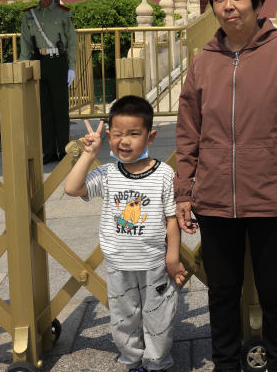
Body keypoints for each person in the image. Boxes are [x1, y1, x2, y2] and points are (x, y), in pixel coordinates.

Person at [174, 0, 277, 372]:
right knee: (222, 291)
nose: (228, 6)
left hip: (273, 195)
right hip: (214, 197)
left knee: (276, 291)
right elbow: (188, 133)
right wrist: (184, 191)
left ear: (258, 3)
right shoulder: (203, 61)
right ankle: (225, 363)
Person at [63, 96, 188, 372]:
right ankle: (132, 359)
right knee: (124, 317)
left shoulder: (164, 174)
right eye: (117, 134)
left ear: (150, 136)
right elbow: (72, 188)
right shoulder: (108, 174)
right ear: (108, 136)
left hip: (154, 262)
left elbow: (171, 220)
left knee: (159, 316)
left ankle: (157, 362)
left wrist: (173, 257)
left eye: (134, 134)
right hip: (119, 263)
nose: (125, 141)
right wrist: (89, 154)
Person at [19, 0, 76, 164]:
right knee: (43, 109)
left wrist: (72, 67)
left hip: (57, 63)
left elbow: (72, 42)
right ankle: (49, 150)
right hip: (38, 63)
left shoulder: (62, 14)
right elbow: (25, 45)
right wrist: (23, 68)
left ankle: (64, 148)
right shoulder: (28, 15)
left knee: (60, 108)